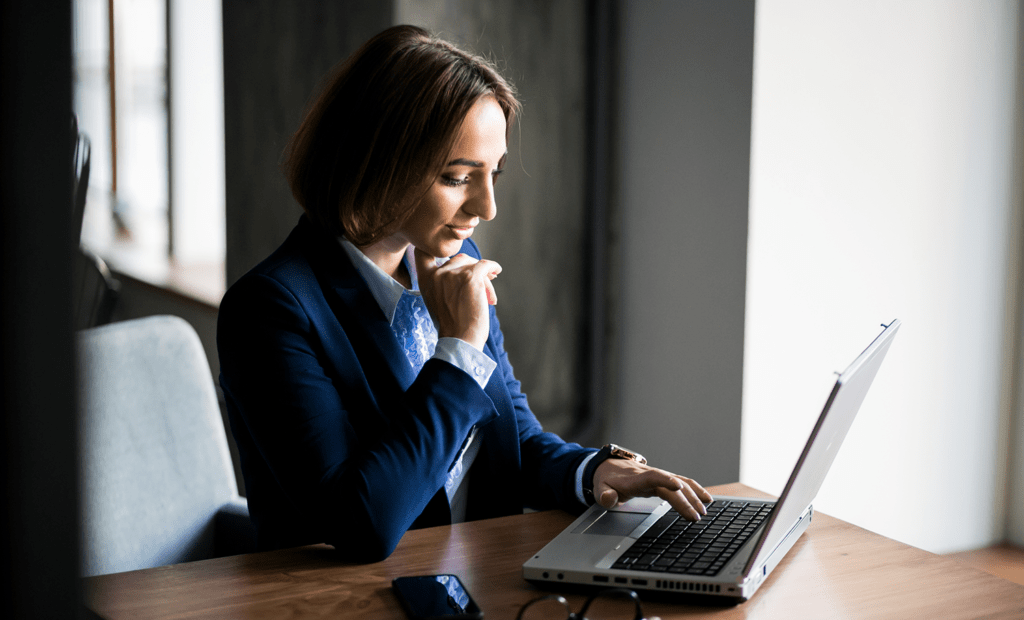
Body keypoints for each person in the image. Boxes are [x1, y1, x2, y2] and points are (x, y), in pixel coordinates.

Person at [217, 24, 711, 562]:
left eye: (493, 173)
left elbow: (510, 439)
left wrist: (593, 471)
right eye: (457, 177)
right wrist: (458, 350)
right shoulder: (270, 310)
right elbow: (359, 521)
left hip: (480, 573)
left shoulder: (457, 263)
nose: (487, 208)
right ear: (378, 162)